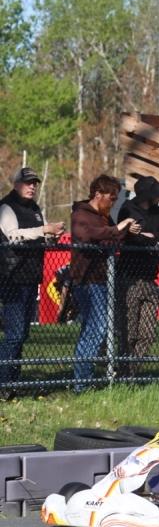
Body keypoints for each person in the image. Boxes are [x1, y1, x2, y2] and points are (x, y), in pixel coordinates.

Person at [70, 175, 140, 392]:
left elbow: (110, 238)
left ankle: (84, 379)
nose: (113, 203)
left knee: (95, 329)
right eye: (111, 198)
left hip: (103, 279)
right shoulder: (81, 214)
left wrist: (125, 231)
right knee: (97, 328)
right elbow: (86, 235)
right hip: (87, 280)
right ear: (98, 194)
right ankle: (82, 382)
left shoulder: (104, 217)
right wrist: (117, 228)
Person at [0, 168, 64, 395]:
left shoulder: (36, 209)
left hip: (30, 278)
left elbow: (41, 236)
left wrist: (51, 235)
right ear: (16, 184)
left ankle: (12, 381)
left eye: (35, 183)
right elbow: (13, 235)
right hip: (11, 278)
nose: (32, 187)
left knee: (22, 334)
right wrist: (43, 229)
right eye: (27, 183)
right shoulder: (6, 207)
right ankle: (4, 382)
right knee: (15, 334)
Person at [116, 176, 159, 378]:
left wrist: (152, 237)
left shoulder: (157, 212)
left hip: (150, 278)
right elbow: (134, 238)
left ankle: (131, 372)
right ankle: (123, 372)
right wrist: (151, 240)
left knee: (147, 334)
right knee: (129, 332)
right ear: (147, 195)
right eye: (156, 193)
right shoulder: (128, 209)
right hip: (130, 279)